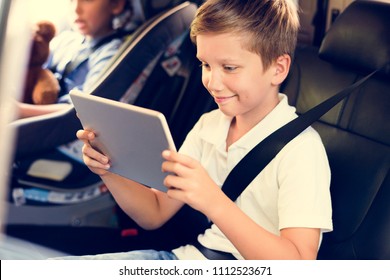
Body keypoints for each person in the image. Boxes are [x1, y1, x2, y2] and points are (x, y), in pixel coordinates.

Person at [73, 0, 333, 260]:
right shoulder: (209, 125)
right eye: (206, 65)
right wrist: (108, 169)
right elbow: (155, 211)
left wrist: (214, 201)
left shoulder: (301, 150)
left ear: (278, 69)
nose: (213, 82)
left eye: (229, 67)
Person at [17, 0, 140, 119]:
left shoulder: (113, 52)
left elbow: (84, 109)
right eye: (71, 0)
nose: (76, 9)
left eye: (87, 0)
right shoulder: (65, 40)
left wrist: (20, 110)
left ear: (116, 5)